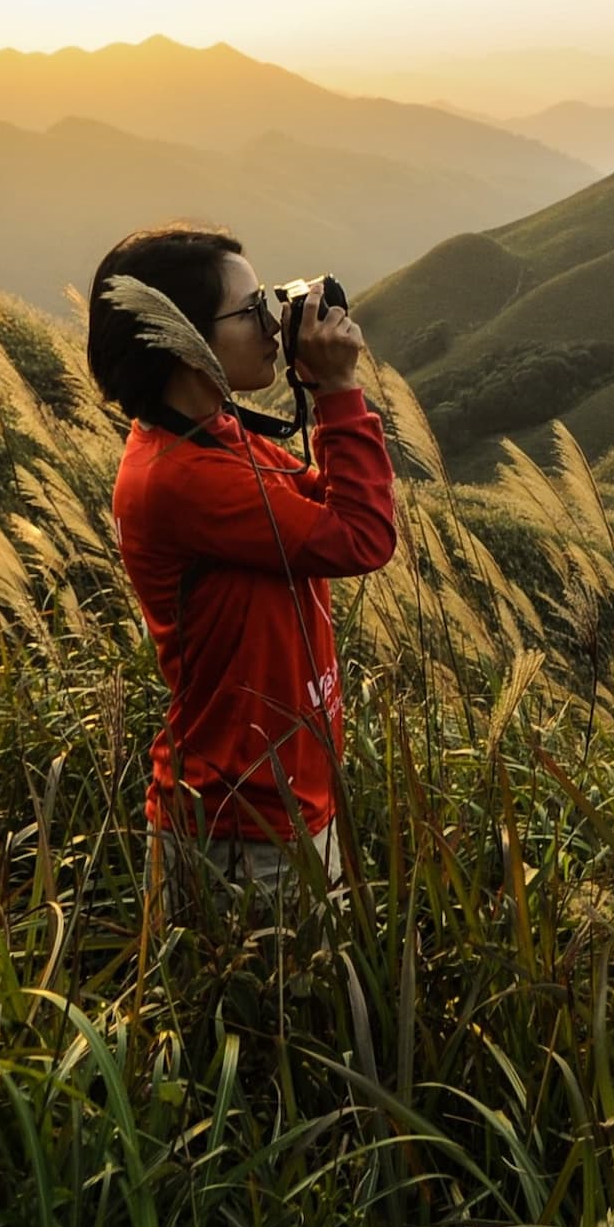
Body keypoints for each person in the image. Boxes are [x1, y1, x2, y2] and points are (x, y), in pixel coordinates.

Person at [85, 222, 396, 924]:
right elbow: (363, 535)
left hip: (282, 805)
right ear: (183, 342)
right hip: (241, 832)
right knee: (280, 1032)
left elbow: (326, 498)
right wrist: (342, 390)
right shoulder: (178, 477)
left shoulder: (214, 434)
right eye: (252, 309)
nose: (273, 324)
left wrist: (319, 387)